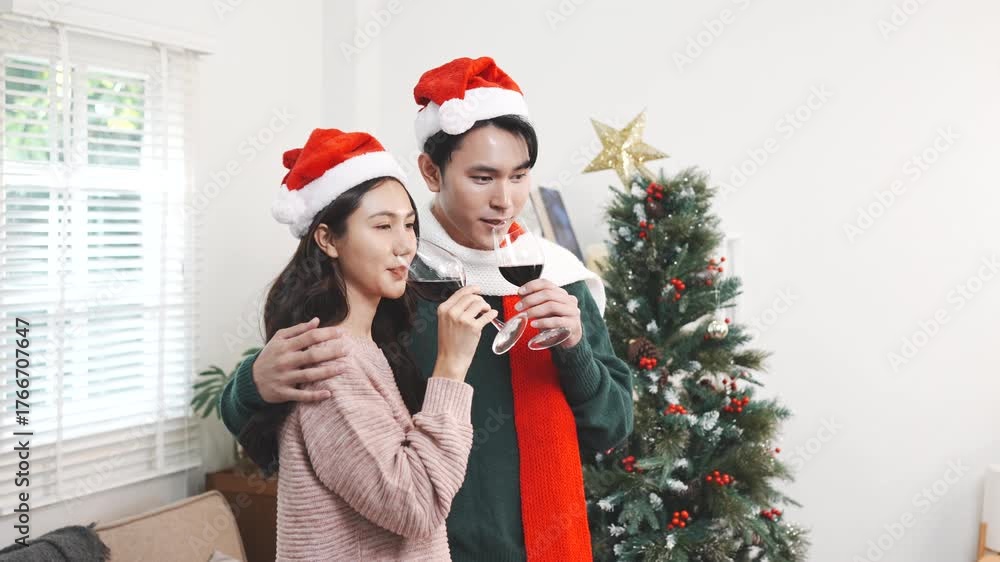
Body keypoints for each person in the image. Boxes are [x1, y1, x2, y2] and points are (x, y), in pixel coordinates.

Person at [219, 57, 634, 561]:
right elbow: (280, 433)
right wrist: (250, 384)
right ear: (431, 172)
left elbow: (611, 430)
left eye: (519, 176)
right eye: (482, 177)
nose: (505, 200)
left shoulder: (558, 277)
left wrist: (575, 350)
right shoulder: (392, 279)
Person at [245, 127, 496, 560]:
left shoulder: (366, 346)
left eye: (409, 225)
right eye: (382, 226)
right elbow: (418, 506)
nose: (404, 246)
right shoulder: (330, 365)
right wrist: (451, 367)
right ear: (328, 239)